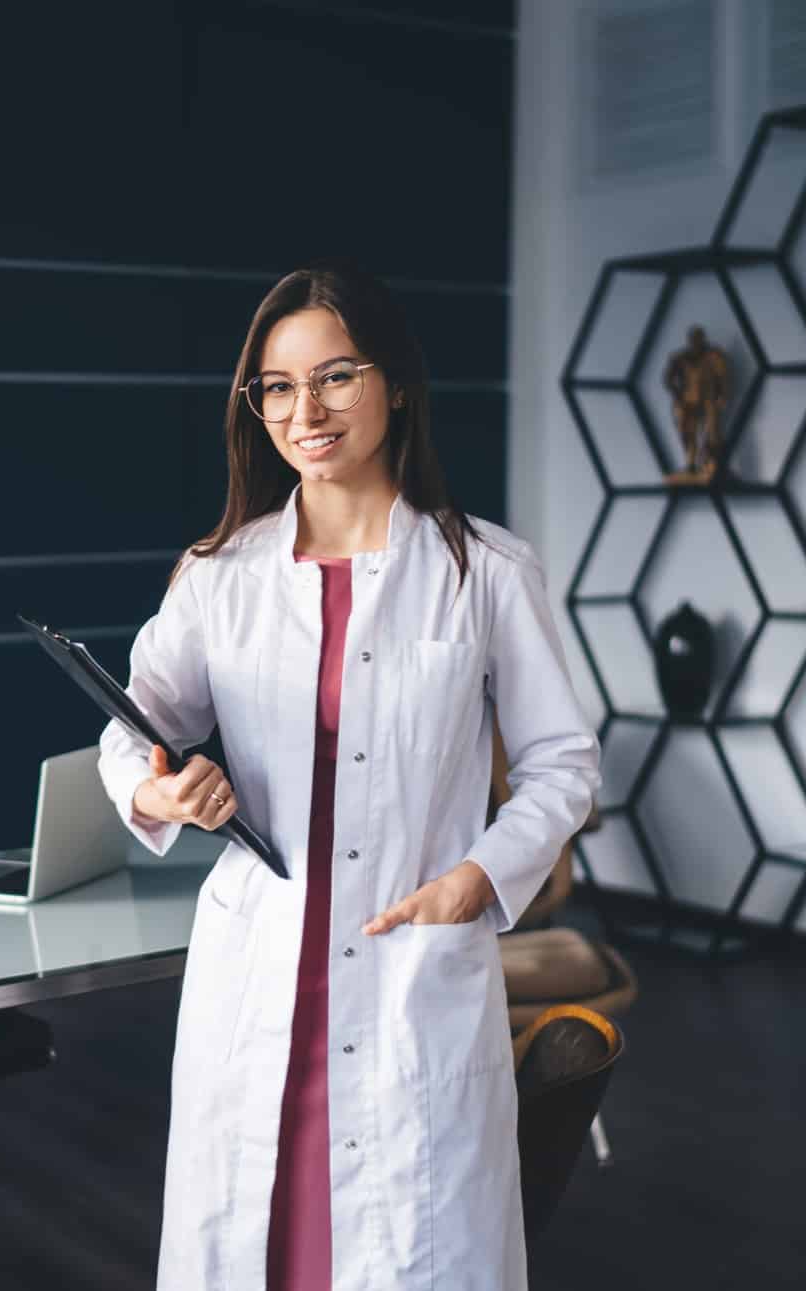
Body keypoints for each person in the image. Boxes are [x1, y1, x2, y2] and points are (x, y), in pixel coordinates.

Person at [96, 258, 599, 1290]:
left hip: (412, 966)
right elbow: (131, 734)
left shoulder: (484, 572)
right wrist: (159, 789)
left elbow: (562, 764)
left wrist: (479, 876)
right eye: (277, 387)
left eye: (335, 376)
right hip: (259, 976)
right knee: (258, 1243)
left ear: (395, 385)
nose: (305, 411)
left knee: (409, 1246)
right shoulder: (220, 575)